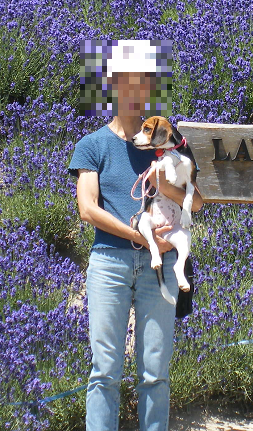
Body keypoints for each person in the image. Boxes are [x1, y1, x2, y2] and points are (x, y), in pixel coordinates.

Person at [68, 40, 203, 431]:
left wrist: (166, 183)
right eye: (125, 83)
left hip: (160, 267)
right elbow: (87, 208)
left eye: (142, 84)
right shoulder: (92, 145)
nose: (134, 93)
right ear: (110, 89)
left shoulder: (167, 142)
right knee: (105, 370)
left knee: (155, 370)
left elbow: (196, 204)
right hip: (110, 262)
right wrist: (142, 236)